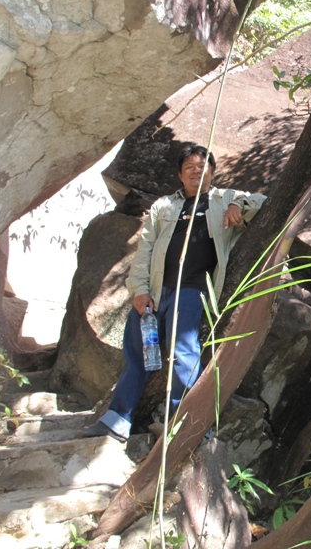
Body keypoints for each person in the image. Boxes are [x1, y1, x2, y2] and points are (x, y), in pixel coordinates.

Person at [82, 143, 266, 442]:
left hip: (191, 291)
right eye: (189, 167)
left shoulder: (224, 199)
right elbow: (145, 250)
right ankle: (117, 420)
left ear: (212, 171)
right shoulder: (164, 206)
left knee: (184, 353)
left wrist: (237, 205)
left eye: (202, 166)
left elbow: (261, 201)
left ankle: (186, 426)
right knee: (138, 354)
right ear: (180, 175)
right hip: (155, 293)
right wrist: (139, 290)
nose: (196, 171)